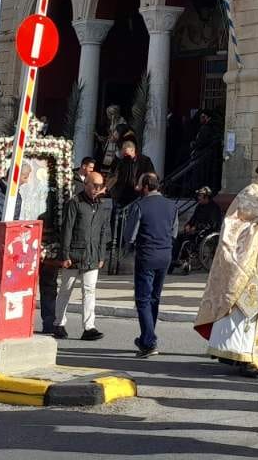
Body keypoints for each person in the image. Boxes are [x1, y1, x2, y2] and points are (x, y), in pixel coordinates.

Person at [195, 151, 258, 373]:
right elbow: (231, 227)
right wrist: (257, 231)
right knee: (249, 309)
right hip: (248, 264)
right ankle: (246, 359)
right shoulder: (250, 194)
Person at [54, 164, 112, 341]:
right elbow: (67, 229)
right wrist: (65, 255)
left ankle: (89, 327)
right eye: (95, 185)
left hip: (92, 255)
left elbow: (104, 232)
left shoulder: (101, 206)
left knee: (89, 290)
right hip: (74, 254)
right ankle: (59, 323)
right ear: (86, 184)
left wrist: (101, 255)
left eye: (100, 186)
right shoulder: (75, 203)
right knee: (66, 289)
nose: (97, 189)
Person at [124, 171, 178, 357]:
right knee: (154, 297)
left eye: (140, 184)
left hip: (147, 254)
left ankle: (148, 341)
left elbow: (130, 234)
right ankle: (147, 335)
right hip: (165, 254)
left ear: (146, 187)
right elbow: (174, 232)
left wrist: (129, 246)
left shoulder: (140, 205)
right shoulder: (171, 205)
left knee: (143, 299)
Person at [175, 186, 223, 274]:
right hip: (197, 229)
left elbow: (211, 224)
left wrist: (197, 227)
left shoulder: (214, 208)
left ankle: (185, 261)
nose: (198, 197)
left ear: (206, 197)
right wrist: (188, 225)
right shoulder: (199, 206)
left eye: (200, 196)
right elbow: (193, 218)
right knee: (179, 236)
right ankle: (175, 260)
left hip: (207, 231)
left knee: (188, 240)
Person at [111, 136, 155, 209]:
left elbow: (152, 175)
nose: (125, 155)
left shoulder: (145, 160)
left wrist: (141, 182)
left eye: (126, 153)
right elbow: (114, 176)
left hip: (138, 195)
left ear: (133, 150)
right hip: (122, 196)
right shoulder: (122, 160)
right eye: (124, 153)